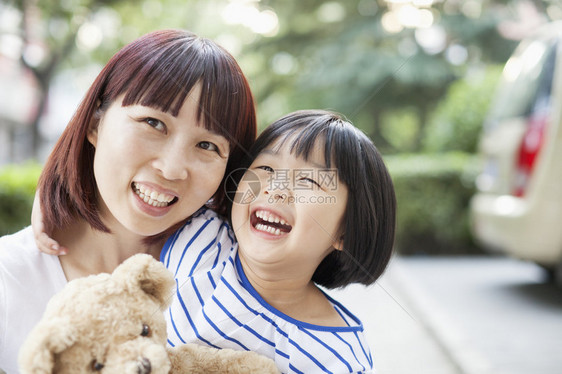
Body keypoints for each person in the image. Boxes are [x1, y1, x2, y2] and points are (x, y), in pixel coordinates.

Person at [0, 29, 256, 373]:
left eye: (208, 145)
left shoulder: (228, 275)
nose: (172, 168)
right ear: (95, 124)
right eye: (153, 122)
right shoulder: (10, 280)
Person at [162, 110, 396, 373]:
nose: (276, 188)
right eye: (266, 168)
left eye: (309, 180)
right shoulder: (199, 233)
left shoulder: (337, 358)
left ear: (346, 233)